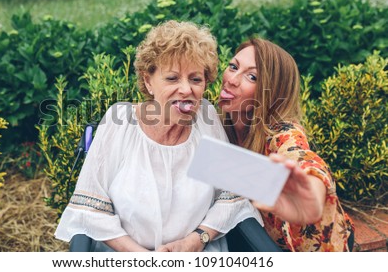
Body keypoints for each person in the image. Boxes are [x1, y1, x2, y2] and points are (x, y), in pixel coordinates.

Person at [55, 20, 262, 252]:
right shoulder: (121, 122)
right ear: (148, 81)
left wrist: (196, 239)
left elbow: (230, 196)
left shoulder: (206, 118)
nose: (186, 89)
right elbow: (90, 211)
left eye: (195, 79)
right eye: (172, 78)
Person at [218, 38, 354, 252]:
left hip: (315, 245)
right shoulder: (219, 126)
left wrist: (311, 193)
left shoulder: (281, 132)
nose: (232, 79)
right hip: (262, 238)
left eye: (251, 76)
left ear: (270, 93)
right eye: (233, 67)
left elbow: (301, 157)